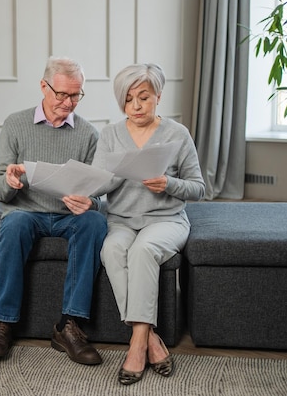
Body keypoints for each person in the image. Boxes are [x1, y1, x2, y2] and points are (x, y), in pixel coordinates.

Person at [0, 56, 107, 365]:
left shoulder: (89, 134)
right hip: (26, 213)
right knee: (13, 226)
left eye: (75, 95)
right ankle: (4, 323)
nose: (68, 102)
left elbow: (100, 192)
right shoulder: (16, 124)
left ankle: (69, 326)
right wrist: (10, 180)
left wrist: (91, 203)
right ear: (43, 86)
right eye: (61, 94)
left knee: (94, 222)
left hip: (69, 217)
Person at [91, 63, 205, 384]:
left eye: (144, 97)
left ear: (158, 96)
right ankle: (152, 337)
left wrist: (169, 183)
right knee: (112, 249)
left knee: (143, 250)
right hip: (122, 221)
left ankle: (137, 345)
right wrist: (93, 186)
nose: (136, 106)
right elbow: (100, 186)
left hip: (166, 220)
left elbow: (198, 188)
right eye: (128, 100)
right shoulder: (111, 134)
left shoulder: (177, 134)